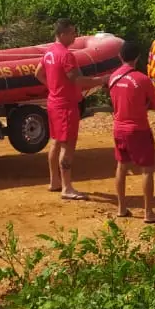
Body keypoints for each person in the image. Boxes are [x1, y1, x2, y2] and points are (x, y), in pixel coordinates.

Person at [35, 19, 104, 200]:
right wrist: (101, 80)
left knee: (56, 141)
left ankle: (54, 181)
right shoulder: (66, 55)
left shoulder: (49, 52)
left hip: (53, 102)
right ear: (63, 33)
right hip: (65, 106)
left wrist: (53, 87)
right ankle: (67, 188)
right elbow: (77, 80)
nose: (75, 36)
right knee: (68, 145)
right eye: (73, 32)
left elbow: (38, 73)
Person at [107, 39, 155, 223]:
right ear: (138, 57)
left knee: (121, 166)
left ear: (120, 56)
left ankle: (121, 208)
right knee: (147, 170)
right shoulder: (142, 79)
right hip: (138, 129)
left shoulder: (113, 77)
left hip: (118, 127)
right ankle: (148, 213)